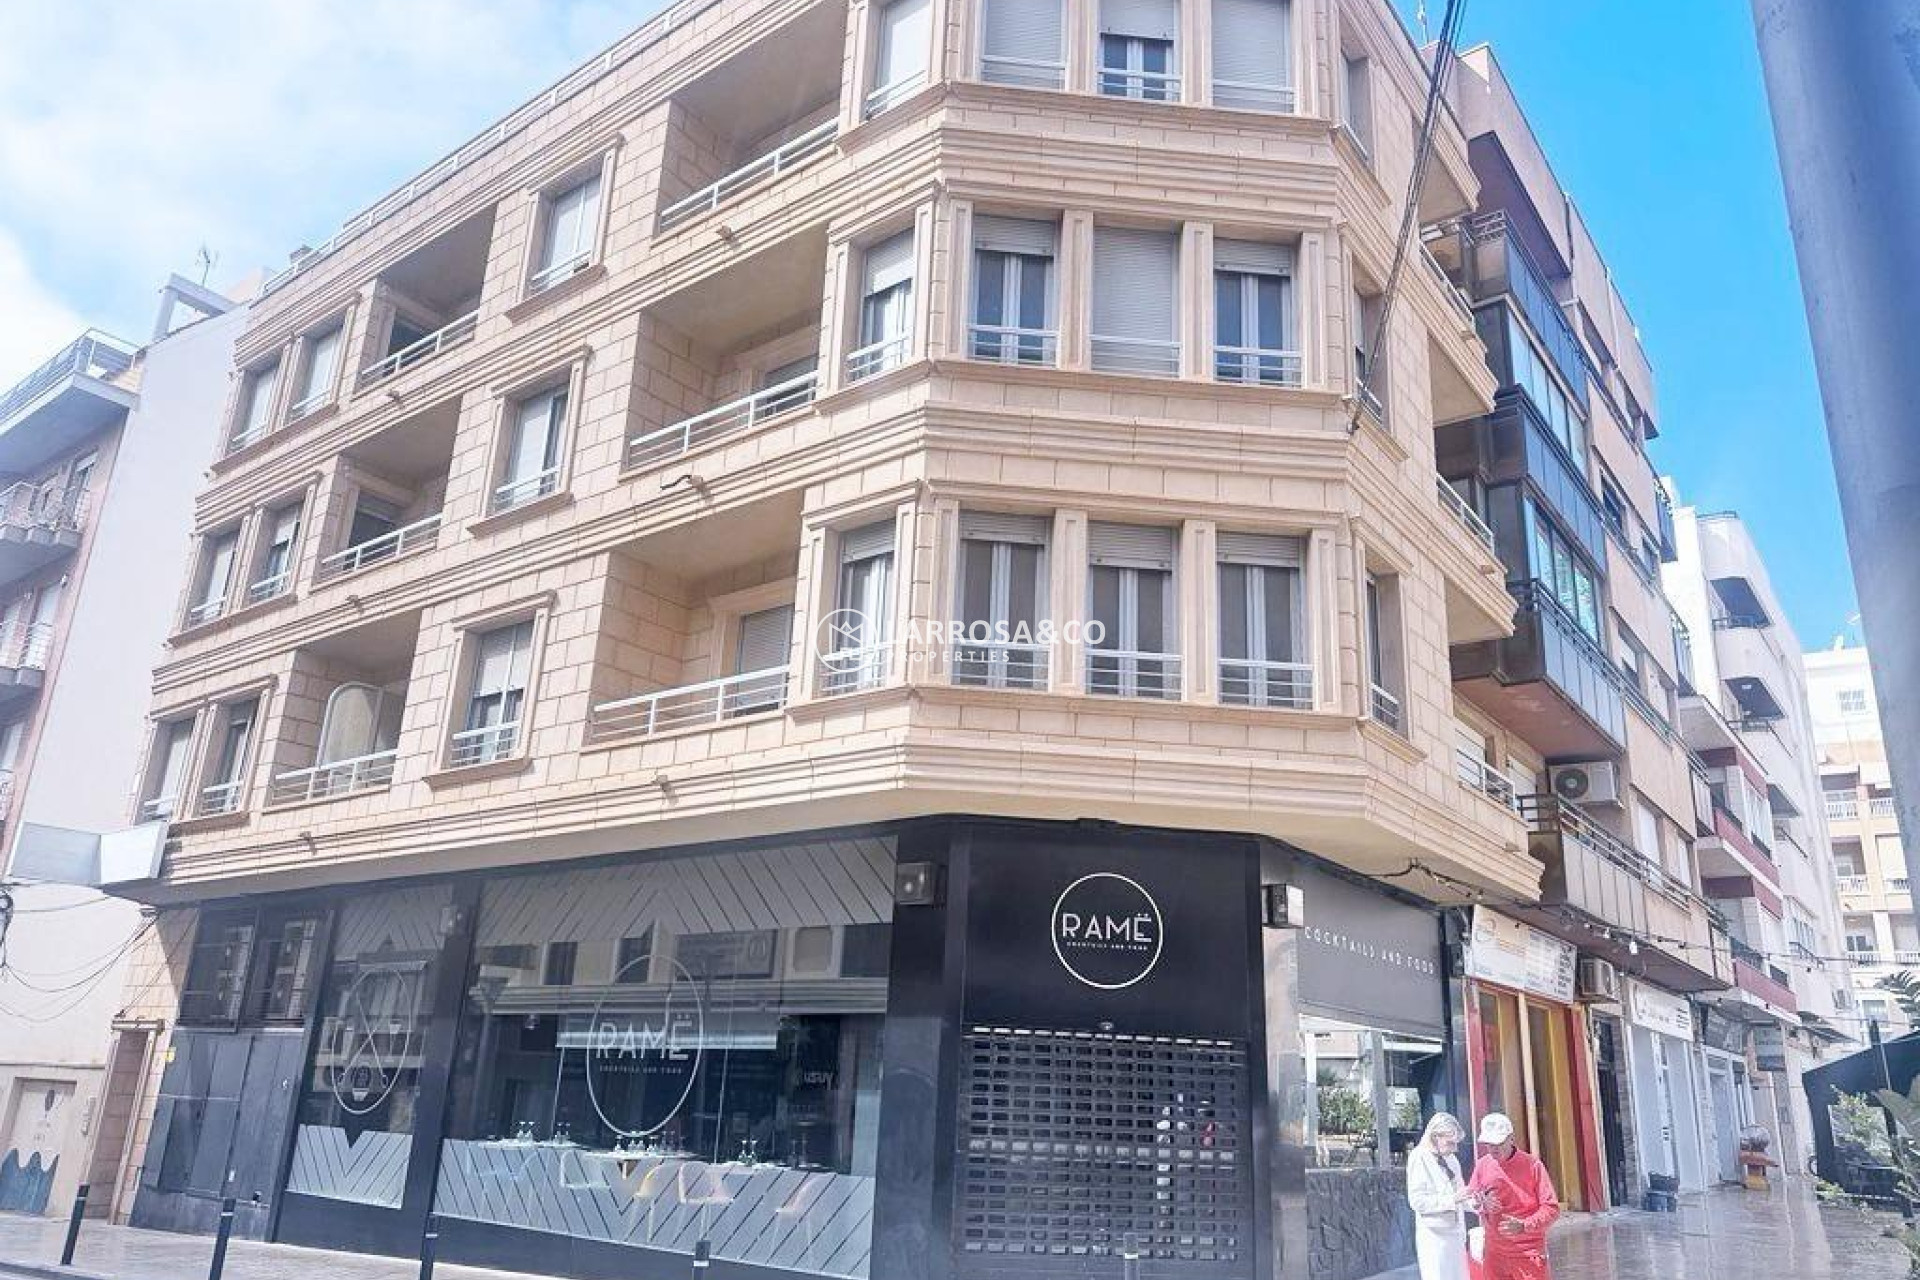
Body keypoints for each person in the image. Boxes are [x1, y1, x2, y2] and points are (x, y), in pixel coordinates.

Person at [1465, 1113, 1559, 1280]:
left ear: (1511, 1139)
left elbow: (1551, 1209)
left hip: (1527, 1253)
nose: (1494, 1149)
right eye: (1489, 1144)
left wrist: (1524, 1225)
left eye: (1499, 1143)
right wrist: (1481, 1205)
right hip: (1494, 1253)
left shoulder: (1533, 1166)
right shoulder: (1482, 1165)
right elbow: (1471, 1197)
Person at [1405, 1112, 1473, 1280]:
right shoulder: (1419, 1157)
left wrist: (1477, 1203)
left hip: (1455, 1234)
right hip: (1434, 1236)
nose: (1455, 1148)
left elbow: (1461, 1194)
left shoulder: (1451, 1159)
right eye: (1450, 1143)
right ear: (1435, 1137)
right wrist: (1452, 1200)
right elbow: (1417, 1201)